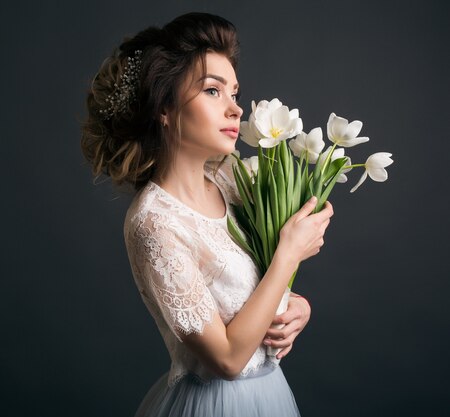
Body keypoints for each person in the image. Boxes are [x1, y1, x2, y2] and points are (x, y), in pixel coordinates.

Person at [81, 12, 333, 417]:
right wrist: (289, 253)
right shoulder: (153, 222)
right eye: (213, 91)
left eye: (235, 92)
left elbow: (246, 289)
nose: (235, 109)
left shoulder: (231, 178)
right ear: (164, 107)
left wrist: (298, 305)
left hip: (271, 396)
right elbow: (228, 359)